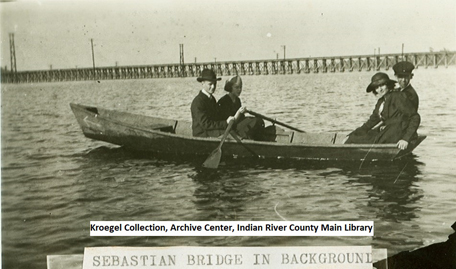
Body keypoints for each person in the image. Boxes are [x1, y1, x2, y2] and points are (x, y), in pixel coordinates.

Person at [345, 72, 420, 150]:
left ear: (388, 85)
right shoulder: (381, 101)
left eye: (382, 85)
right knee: (355, 138)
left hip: (397, 134)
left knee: (358, 140)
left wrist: (405, 139)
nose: (380, 89)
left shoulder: (397, 97)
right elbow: (370, 122)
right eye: (377, 87)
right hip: (388, 132)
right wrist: (352, 135)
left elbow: (415, 117)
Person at [191, 69, 243, 137]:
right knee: (231, 134)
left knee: (234, 131)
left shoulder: (212, 99)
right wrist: (226, 122)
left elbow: (216, 118)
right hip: (202, 133)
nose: (213, 87)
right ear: (202, 83)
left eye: (214, 84)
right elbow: (206, 124)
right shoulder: (198, 102)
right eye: (210, 84)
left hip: (211, 130)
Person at [217, 75, 265, 140]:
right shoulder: (224, 101)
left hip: (237, 125)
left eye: (240, 87)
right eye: (236, 87)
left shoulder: (237, 100)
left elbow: (241, 118)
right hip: (230, 129)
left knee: (259, 120)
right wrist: (239, 112)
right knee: (255, 121)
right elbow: (229, 122)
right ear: (230, 87)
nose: (239, 90)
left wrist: (244, 112)